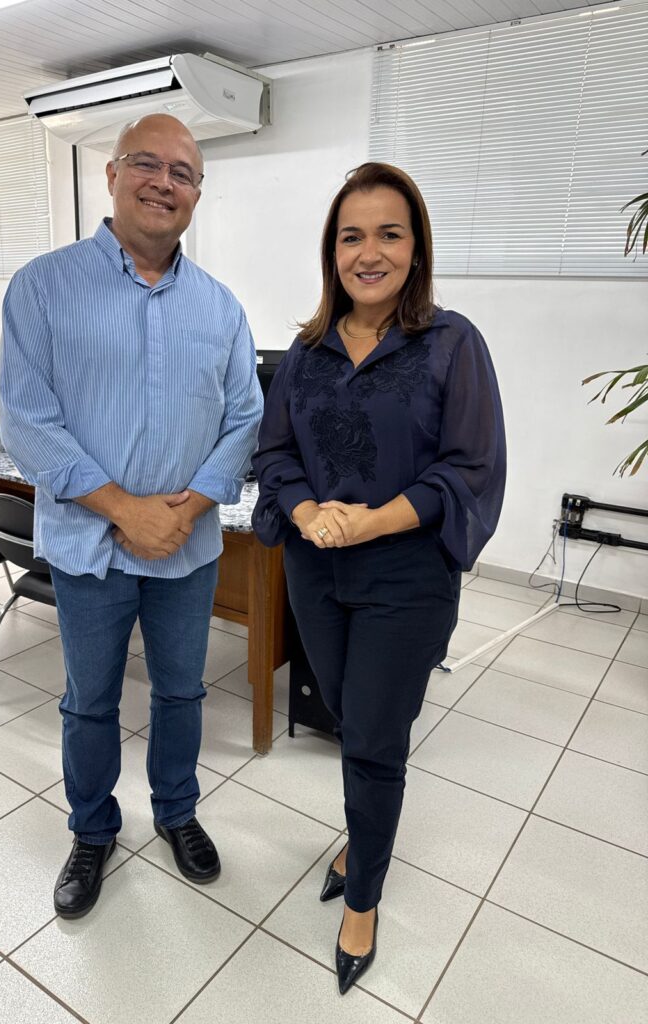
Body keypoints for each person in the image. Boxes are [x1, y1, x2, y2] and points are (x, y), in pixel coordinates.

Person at [0, 114, 263, 919]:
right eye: (147, 164)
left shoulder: (221, 309)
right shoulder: (42, 287)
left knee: (182, 694)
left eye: (182, 173)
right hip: (89, 546)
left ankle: (177, 813)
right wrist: (124, 510)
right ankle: (92, 830)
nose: (163, 182)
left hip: (188, 548)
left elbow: (245, 418)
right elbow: (26, 419)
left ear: (197, 195)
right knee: (89, 701)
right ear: (111, 175)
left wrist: (187, 509)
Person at [251, 162, 505, 994]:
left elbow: (468, 470)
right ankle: (363, 837)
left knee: (374, 738)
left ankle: (362, 898)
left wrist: (368, 521)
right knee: (347, 716)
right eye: (351, 236)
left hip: (405, 576)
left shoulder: (452, 343)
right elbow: (275, 453)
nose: (370, 252)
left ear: (416, 247)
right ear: (332, 251)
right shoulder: (308, 351)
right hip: (315, 569)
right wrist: (305, 513)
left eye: (389, 234)